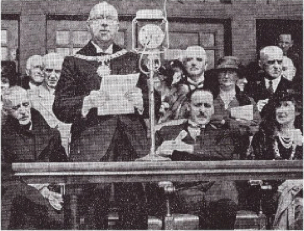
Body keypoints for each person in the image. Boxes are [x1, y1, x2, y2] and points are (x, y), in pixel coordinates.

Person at [53, 2, 149, 229]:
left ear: (117, 26)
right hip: (91, 148)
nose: (104, 23)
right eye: (98, 19)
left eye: (109, 19)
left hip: (131, 146)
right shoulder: (74, 62)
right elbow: (60, 107)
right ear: (89, 25)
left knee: (134, 207)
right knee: (94, 211)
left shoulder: (132, 59)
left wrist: (141, 100)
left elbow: (154, 100)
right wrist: (86, 102)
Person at [155, 88, 239, 229]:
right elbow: (154, 159)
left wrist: (188, 148)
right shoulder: (168, 132)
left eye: (207, 106)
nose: (202, 110)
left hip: (216, 186)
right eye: (197, 105)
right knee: (209, 207)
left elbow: (224, 153)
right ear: (188, 106)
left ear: (213, 109)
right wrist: (160, 152)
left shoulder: (223, 133)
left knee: (225, 202)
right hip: (186, 189)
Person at [1, 86, 67, 229]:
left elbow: (63, 169)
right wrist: (38, 189)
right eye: (16, 108)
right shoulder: (2, 138)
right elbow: (5, 179)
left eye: (25, 105)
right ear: (6, 111)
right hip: (17, 206)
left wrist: (50, 190)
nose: (23, 111)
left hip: (52, 203)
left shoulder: (51, 135)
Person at [250, 92, 303, 229]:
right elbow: (255, 169)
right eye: (278, 106)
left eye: (286, 105)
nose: (281, 110)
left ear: (297, 111)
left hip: (300, 189)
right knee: (298, 205)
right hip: (271, 192)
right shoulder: (262, 136)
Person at [210, 56, 260, 159]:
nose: (226, 76)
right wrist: (240, 124)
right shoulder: (208, 100)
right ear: (217, 75)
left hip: (239, 154)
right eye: (222, 72)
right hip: (212, 154)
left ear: (237, 75)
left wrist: (226, 123)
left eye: (231, 72)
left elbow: (255, 127)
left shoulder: (247, 101)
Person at [28, 52, 71, 153]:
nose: (52, 75)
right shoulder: (30, 96)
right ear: (42, 71)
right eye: (48, 70)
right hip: (44, 152)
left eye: (57, 71)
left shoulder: (72, 96)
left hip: (71, 152)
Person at [161, 46, 208, 122]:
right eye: (189, 59)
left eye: (199, 59)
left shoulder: (215, 89)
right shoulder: (173, 91)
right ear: (183, 64)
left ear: (206, 65)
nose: (194, 63)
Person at [245, 46, 292, 119]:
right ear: (260, 64)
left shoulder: (291, 86)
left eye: (279, 62)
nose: (276, 66)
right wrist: (254, 110)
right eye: (271, 62)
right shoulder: (250, 87)